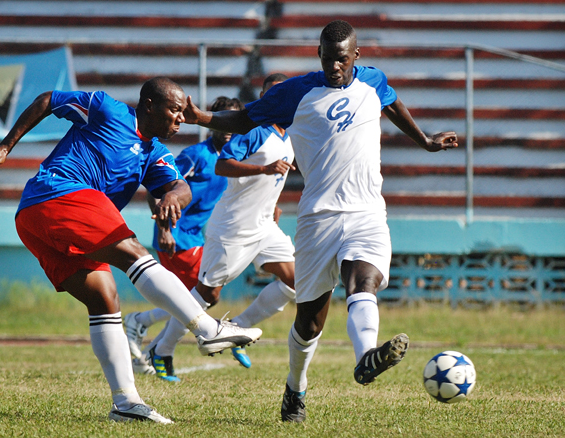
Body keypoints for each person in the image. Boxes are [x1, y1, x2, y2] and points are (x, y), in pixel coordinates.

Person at [181, 21, 458, 423]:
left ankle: (366, 356)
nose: (334, 67)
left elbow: (393, 104)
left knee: (363, 281)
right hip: (317, 220)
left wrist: (426, 140)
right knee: (309, 320)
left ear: (356, 56)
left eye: (342, 60)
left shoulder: (374, 82)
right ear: (319, 55)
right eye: (328, 59)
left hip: (366, 212)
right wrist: (202, 118)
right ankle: (295, 389)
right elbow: (245, 121)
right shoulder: (295, 92)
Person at [0, 77, 262, 424]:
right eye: (174, 110)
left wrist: (174, 195)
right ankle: (207, 329)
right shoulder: (105, 108)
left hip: (35, 221)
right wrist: (6, 146)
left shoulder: (155, 152)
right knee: (133, 251)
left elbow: (180, 185)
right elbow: (47, 99)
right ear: (149, 106)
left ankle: (125, 403)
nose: (180, 118)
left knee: (105, 299)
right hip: (57, 193)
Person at [147, 73, 297, 381]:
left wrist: (273, 203)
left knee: (297, 281)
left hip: (265, 226)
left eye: (282, 94)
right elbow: (222, 164)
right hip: (233, 228)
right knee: (208, 295)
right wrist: (264, 169)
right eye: (270, 94)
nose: (277, 99)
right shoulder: (255, 130)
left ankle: (239, 328)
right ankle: (161, 348)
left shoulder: (290, 132)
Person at [123, 96, 243, 365]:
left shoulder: (232, 158)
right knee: (204, 294)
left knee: (194, 297)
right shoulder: (196, 155)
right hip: (177, 236)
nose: (227, 130)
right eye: (222, 122)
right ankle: (151, 338)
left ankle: (142, 328)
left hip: (194, 236)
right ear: (212, 122)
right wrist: (164, 228)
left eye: (232, 123)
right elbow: (160, 188)